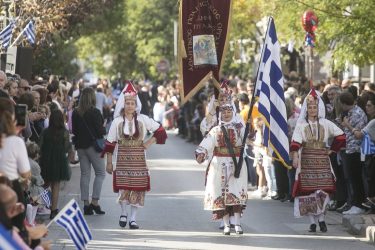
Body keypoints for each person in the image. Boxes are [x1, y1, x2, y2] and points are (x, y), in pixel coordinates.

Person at [103, 81, 167, 229]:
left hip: (139, 159)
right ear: (123, 105)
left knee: (138, 188)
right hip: (122, 159)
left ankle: (133, 219)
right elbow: (110, 143)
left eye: (132, 103)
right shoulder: (117, 121)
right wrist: (109, 162)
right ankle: (123, 213)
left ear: (136, 105)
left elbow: (160, 131)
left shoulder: (143, 119)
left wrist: (148, 143)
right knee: (124, 188)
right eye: (127, 103)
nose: (130, 106)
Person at [290, 89, 346, 233]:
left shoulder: (326, 123)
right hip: (307, 159)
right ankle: (313, 222)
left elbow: (341, 136)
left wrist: (332, 150)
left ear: (318, 108)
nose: (312, 109)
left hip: (322, 160)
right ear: (306, 109)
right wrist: (295, 157)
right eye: (310, 107)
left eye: (315, 107)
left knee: (323, 191)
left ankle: (321, 219)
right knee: (308, 192)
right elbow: (295, 142)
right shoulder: (301, 124)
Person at [195, 85, 248, 235]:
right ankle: (224, 222)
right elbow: (207, 134)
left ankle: (236, 222)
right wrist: (201, 152)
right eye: (221, 100)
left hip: (236, 162)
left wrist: (250, 134)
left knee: (236, 191)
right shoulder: (214, 125)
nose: (225, 112)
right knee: (220, 191)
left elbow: (247, 137)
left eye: (227, 102)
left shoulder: (239, 124)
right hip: (218, 160)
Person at [72, 87, 107, 215]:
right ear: (92, 98)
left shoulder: (76, 112)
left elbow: (74, 130)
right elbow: (100, 131)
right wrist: (103, 128)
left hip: (81, 147)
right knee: (100, 173)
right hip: (93, 147)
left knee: (85, 174)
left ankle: (86, 204)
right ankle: (95, 202)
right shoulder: (95, 112)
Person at [39, 109, 71, 219]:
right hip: (59, 160)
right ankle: (54, 210)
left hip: (46, 160)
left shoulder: (45, 131)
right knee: (56, 186)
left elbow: (40, 146)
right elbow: (67, 147)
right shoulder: (65, 132)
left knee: (44, 183)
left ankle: (38, 203)